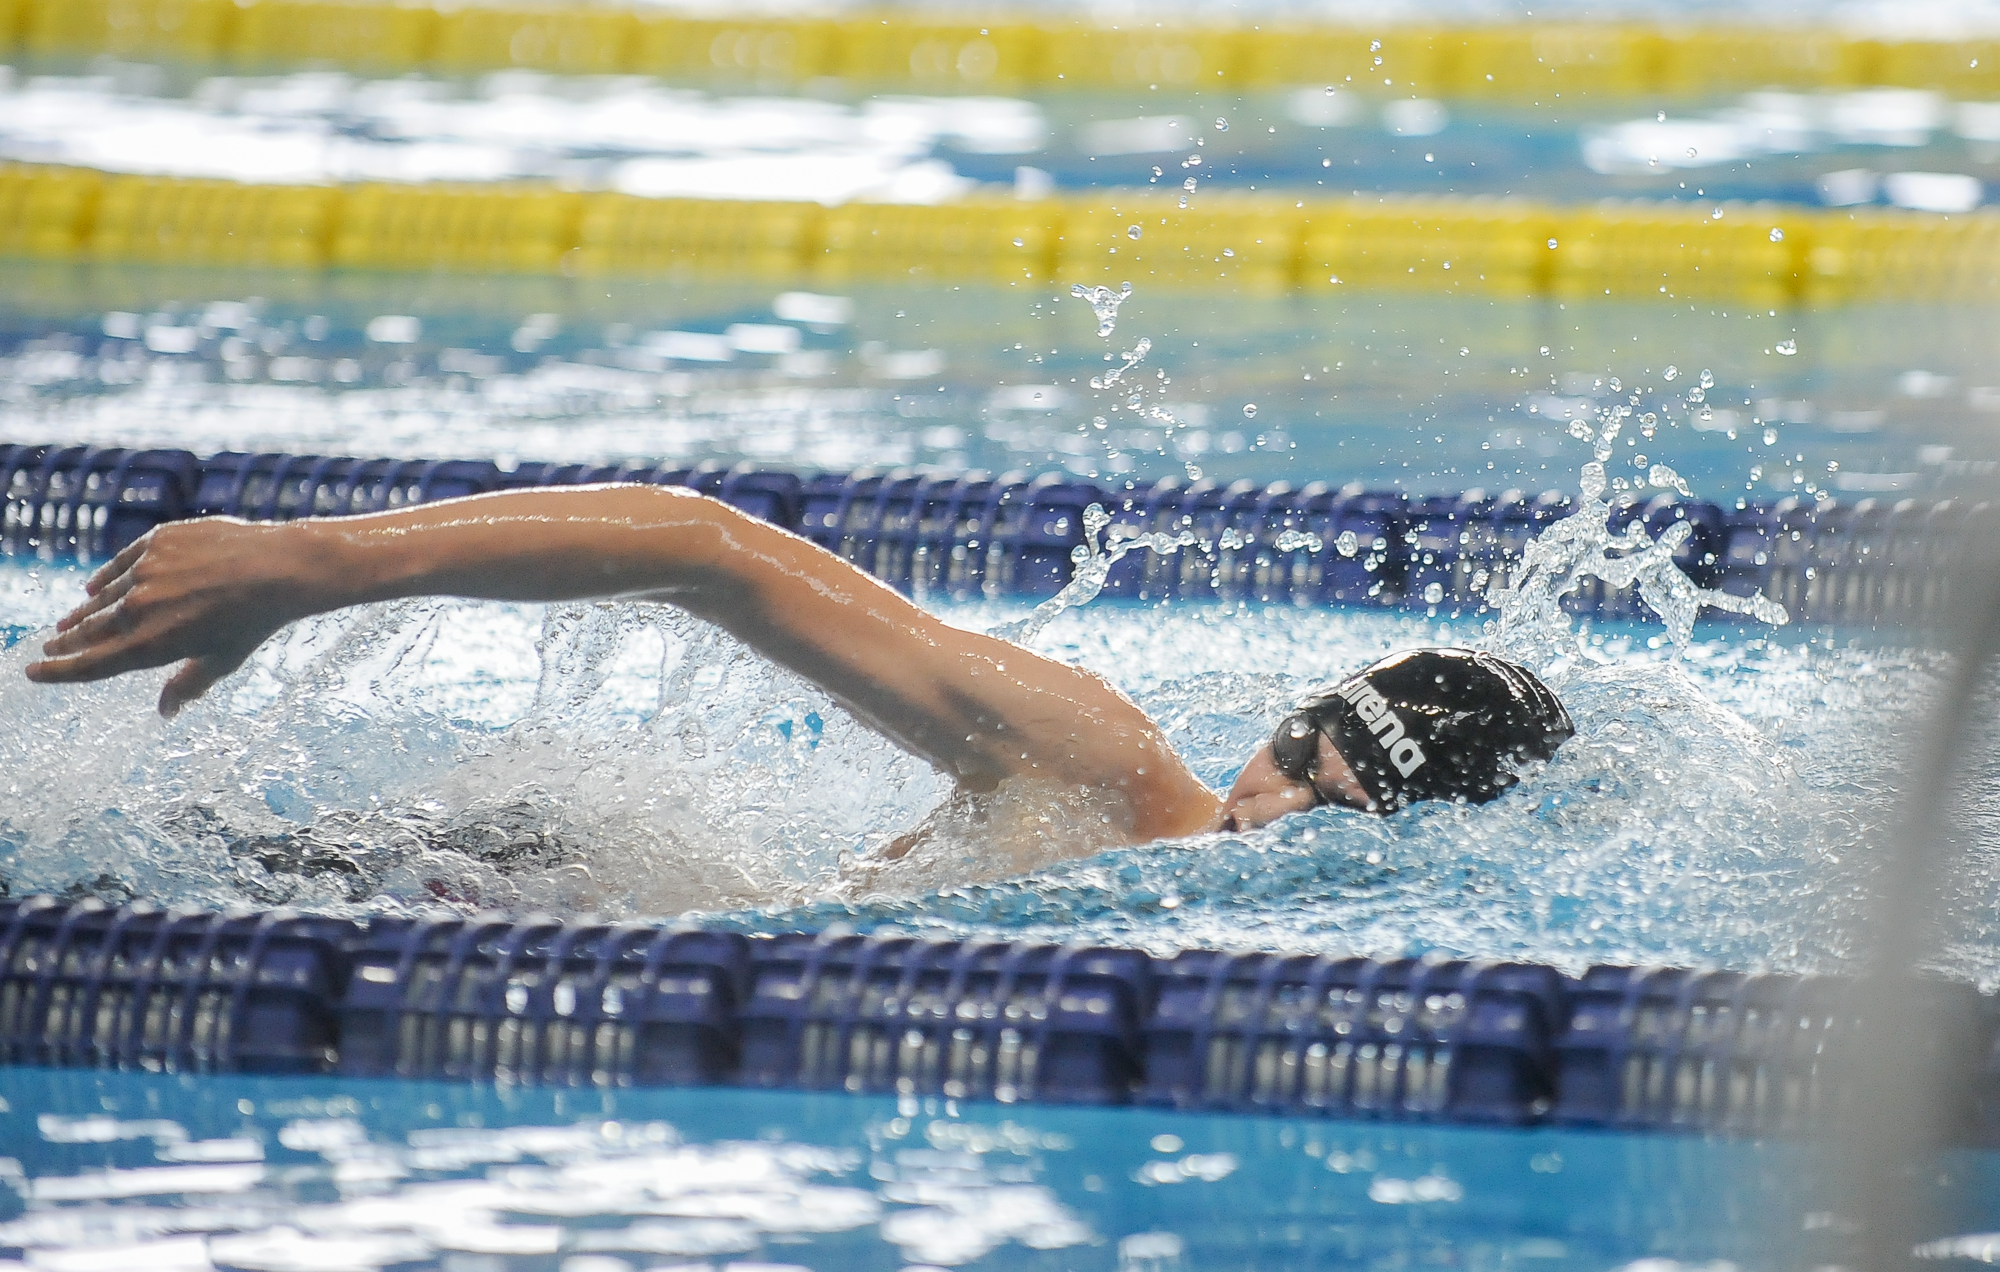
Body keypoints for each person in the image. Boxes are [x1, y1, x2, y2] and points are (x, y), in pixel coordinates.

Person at [23, 483, 1573, 871]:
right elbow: (711, 550)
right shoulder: (1104, 766)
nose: (1278, 817)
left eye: (1342, 808)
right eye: (1296, 761)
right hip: (528, 891)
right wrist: (318, 567)